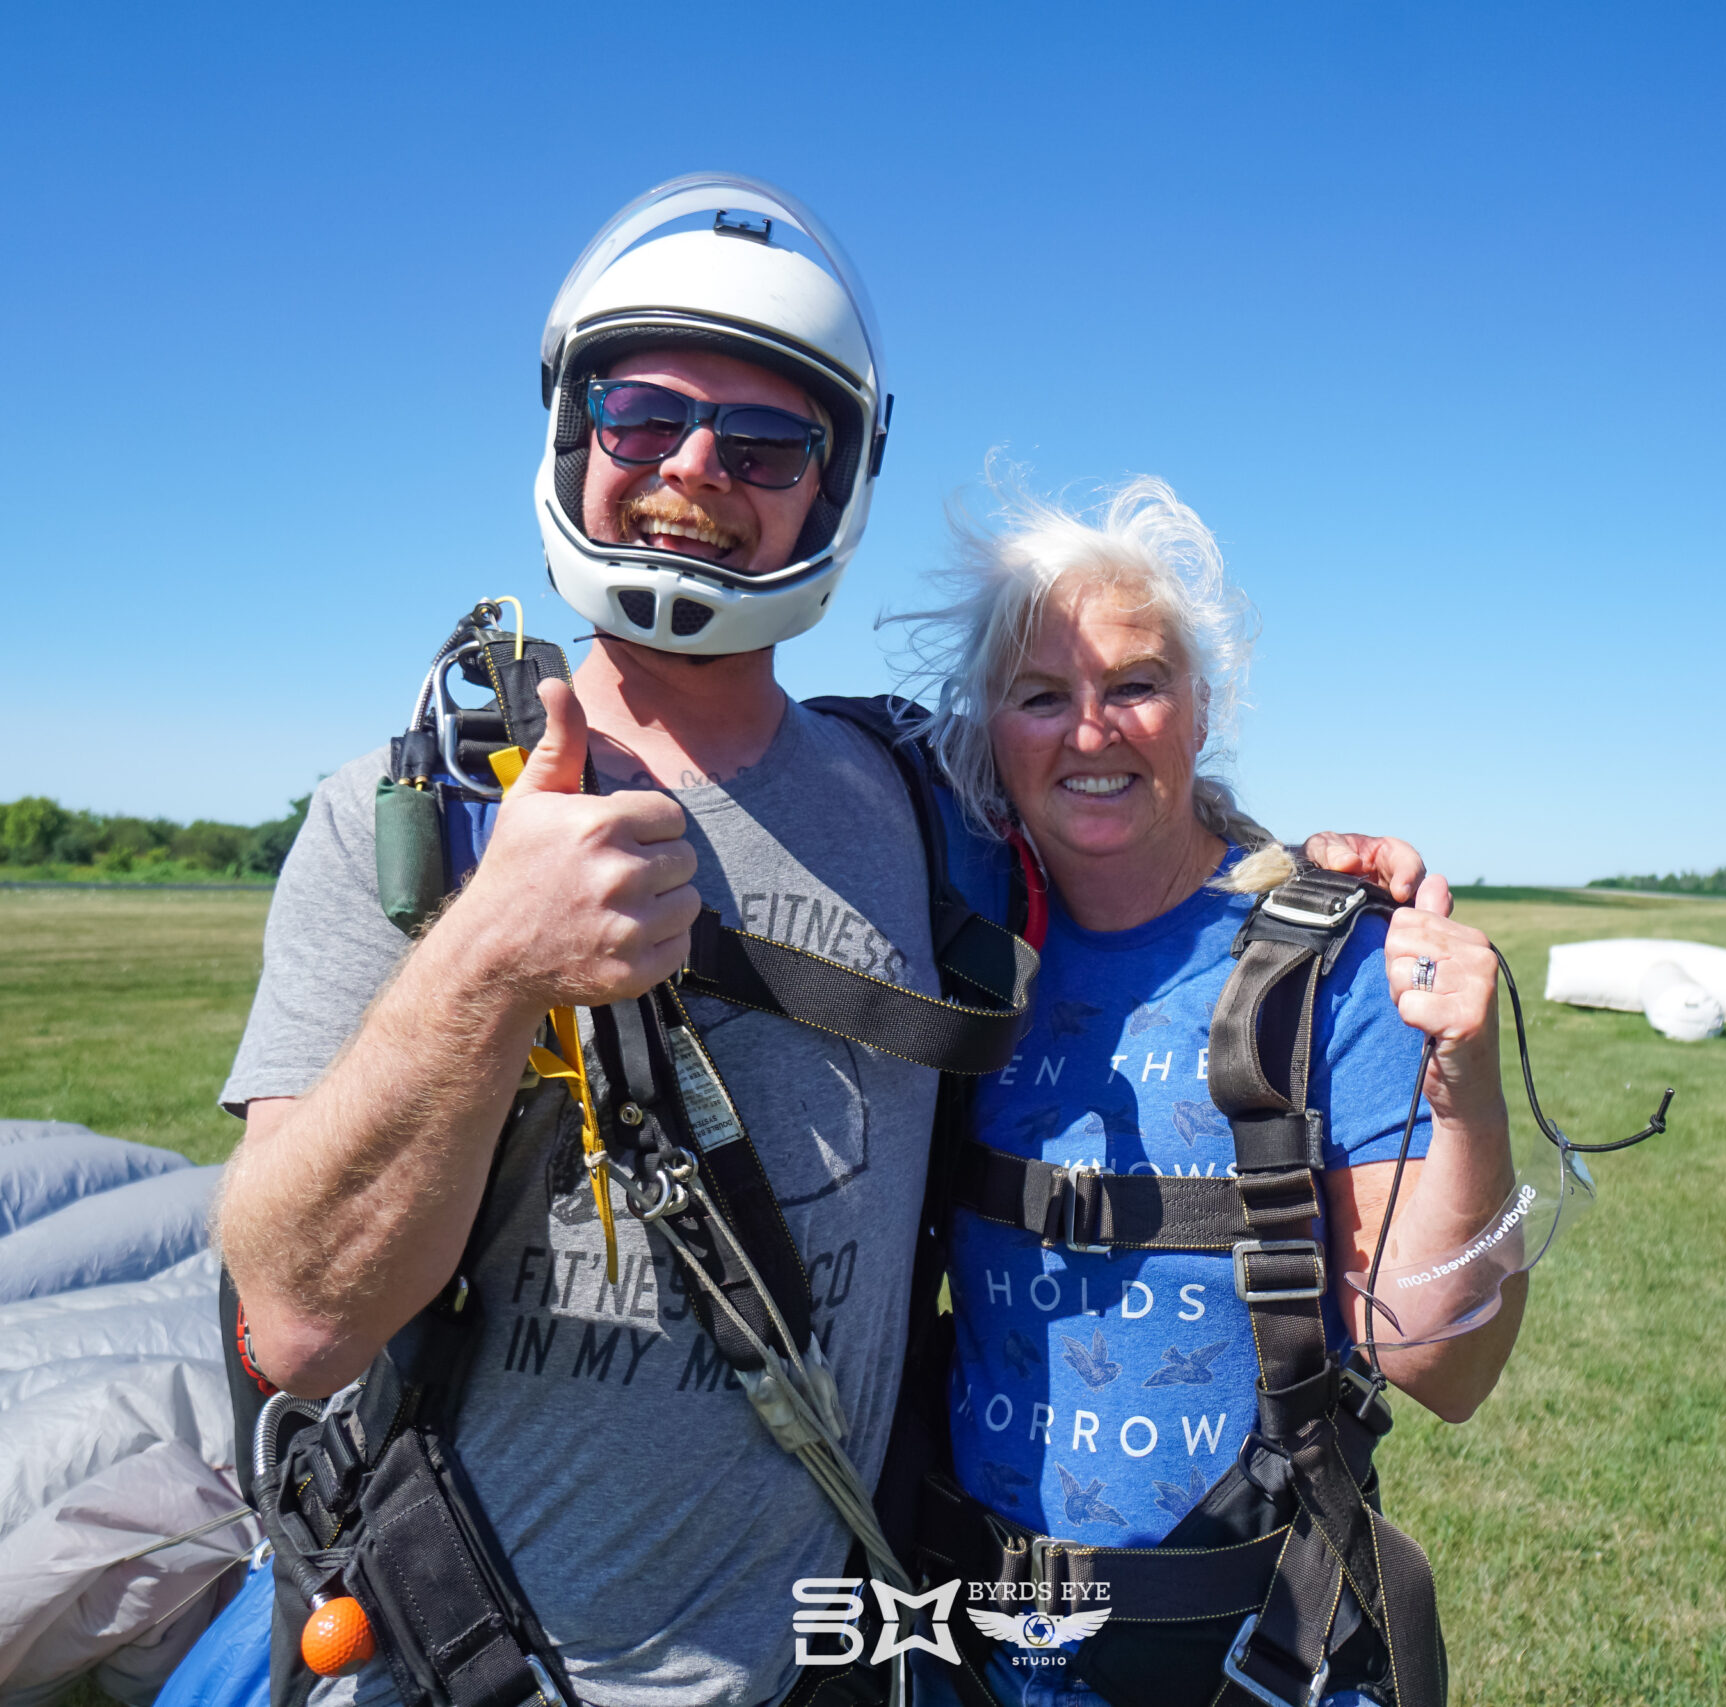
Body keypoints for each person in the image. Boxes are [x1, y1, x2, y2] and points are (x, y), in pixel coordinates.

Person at [198, 178, 1432, 1707]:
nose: (695, 468)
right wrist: (488, 960)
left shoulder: (921, 801)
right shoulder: (410, 823)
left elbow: (1111, 789)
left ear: (829, 485)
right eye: (645, 416)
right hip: (489, 1661)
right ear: (577, 432)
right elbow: (298, 1324)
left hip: (840, 1654)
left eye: (765, 441)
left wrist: (1307, 874)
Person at [891, 479, 1522, 1707]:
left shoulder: (1326, 974)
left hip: (1248, 1655)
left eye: (1133, 685)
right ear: (987, 728)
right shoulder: (956, 952)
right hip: (972, 1651)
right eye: (1040, 695)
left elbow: (1445, 1371)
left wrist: (1469, 1092)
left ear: (1200, 709)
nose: (1090, 731)